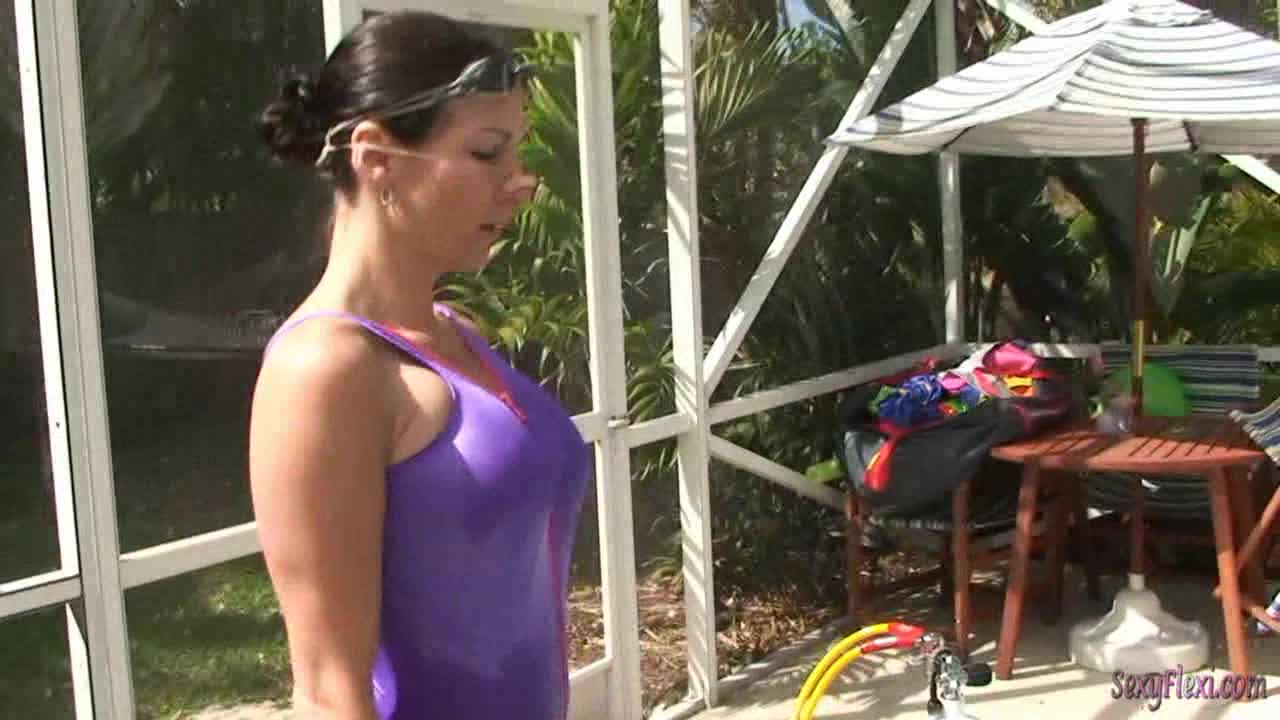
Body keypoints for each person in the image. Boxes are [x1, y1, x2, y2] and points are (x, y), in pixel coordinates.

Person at [249, 11, 588, 720]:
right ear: (376, 155)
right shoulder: (326, 369)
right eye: (487, 152)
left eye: (516, 152)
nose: (521, 182)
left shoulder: (454, 332)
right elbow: (329, 693)